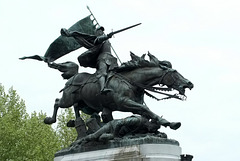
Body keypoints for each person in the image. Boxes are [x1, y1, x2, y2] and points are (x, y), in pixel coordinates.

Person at [61, 26, 118, 94]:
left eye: (102, 31)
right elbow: (99, 39)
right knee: (102, 73)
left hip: (111, 59)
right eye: (99, 31)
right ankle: (102, 88)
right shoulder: (97, 39)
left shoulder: (106, 40)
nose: (101, 32)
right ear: (97, 32)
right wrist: (107, 36)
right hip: (103, 58)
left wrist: (107, 37)